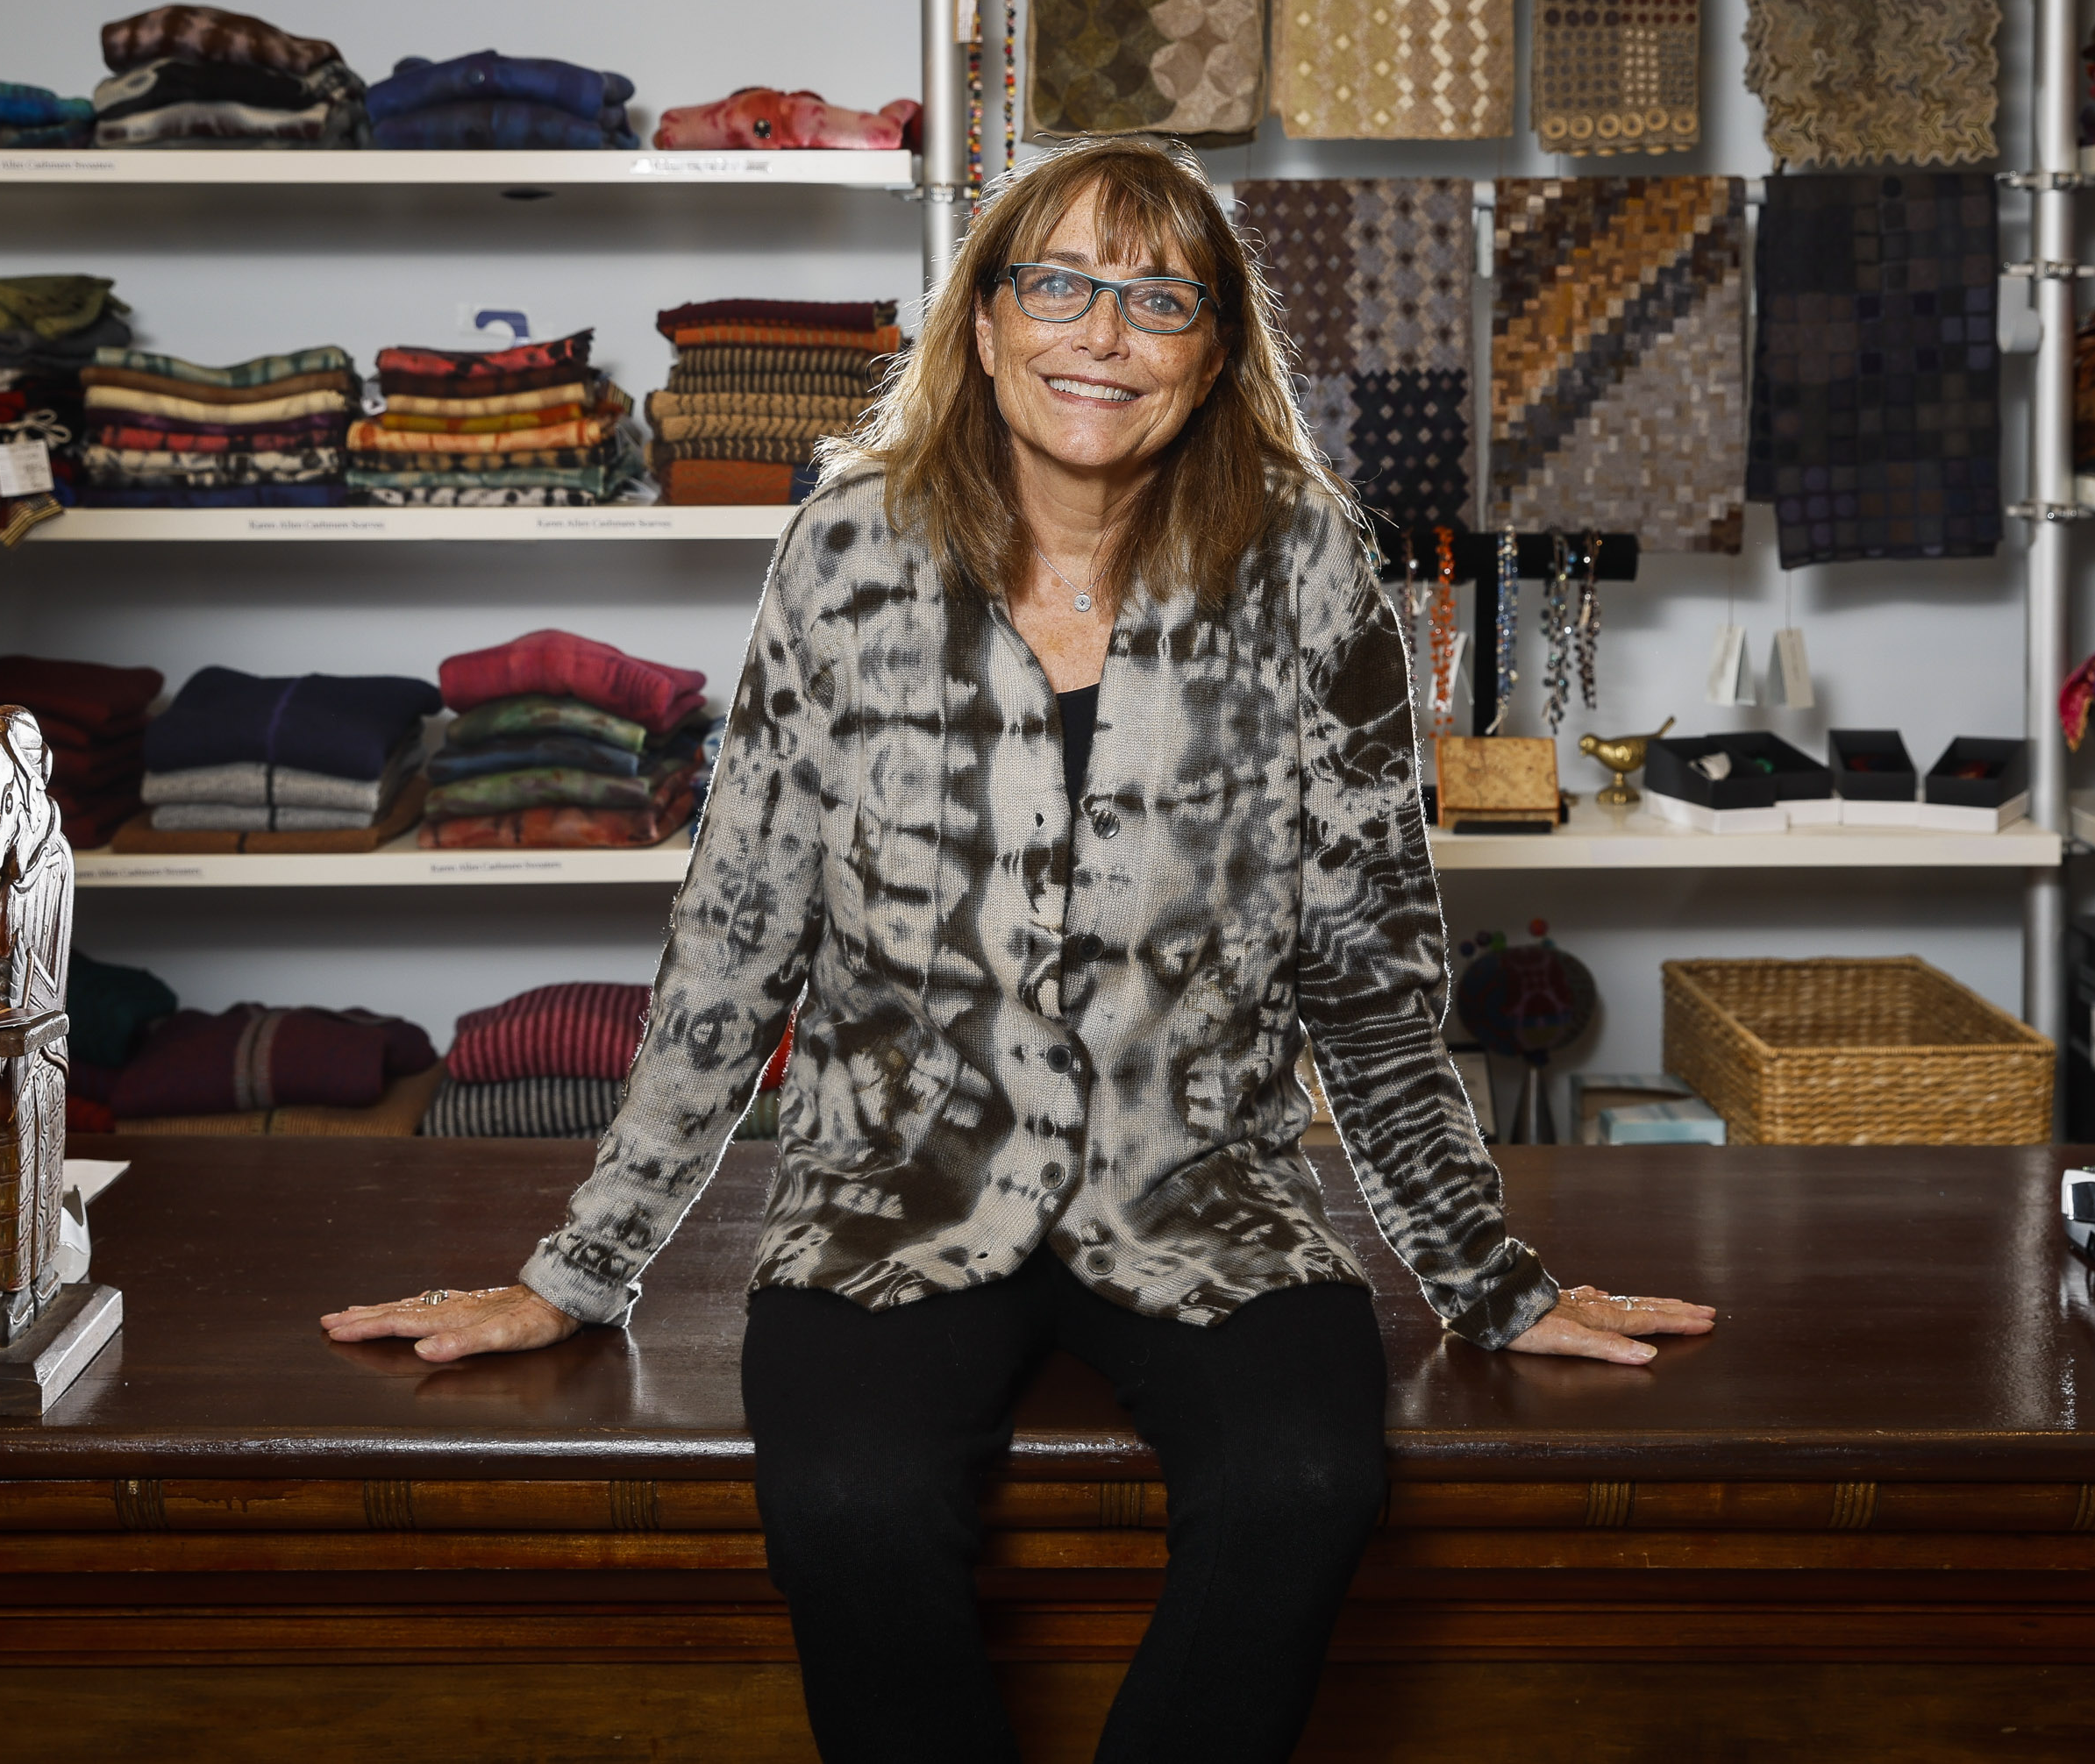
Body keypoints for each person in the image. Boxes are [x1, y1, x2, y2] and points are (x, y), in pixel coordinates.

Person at [324, 136, 1716, 1762]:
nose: (1099, 333)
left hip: (1207, 1187)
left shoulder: (1308, 570)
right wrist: (584, 1266)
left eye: (1155, 298)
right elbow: (737, 937)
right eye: (1053, 283)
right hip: (889, 1185)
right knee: (845, 1502)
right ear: (981, 323)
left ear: (1214, 354)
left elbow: (1371, 964)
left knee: (1310, 1480)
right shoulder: (846, 556)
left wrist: (1485, 1276)